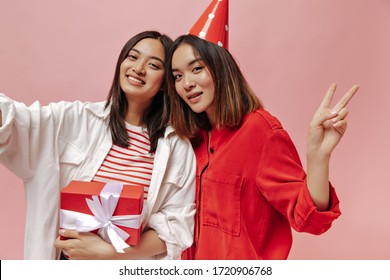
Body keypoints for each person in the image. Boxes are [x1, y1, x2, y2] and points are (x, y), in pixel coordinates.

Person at [0, 30, 196, 260]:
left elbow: (176, 227)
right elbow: (20, 123)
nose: (138, 68)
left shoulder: (176, 148)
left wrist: (110, 253)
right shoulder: (77, 119)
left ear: (165, 83)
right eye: (132, 57)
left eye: (153, 65)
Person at [165, 33, 359, 259]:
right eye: (177, 76)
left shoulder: (260, 131)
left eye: (197, 69)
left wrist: (318, 157)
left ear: (221, 68)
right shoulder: (191, 138)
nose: (186, 83)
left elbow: (309, 220)